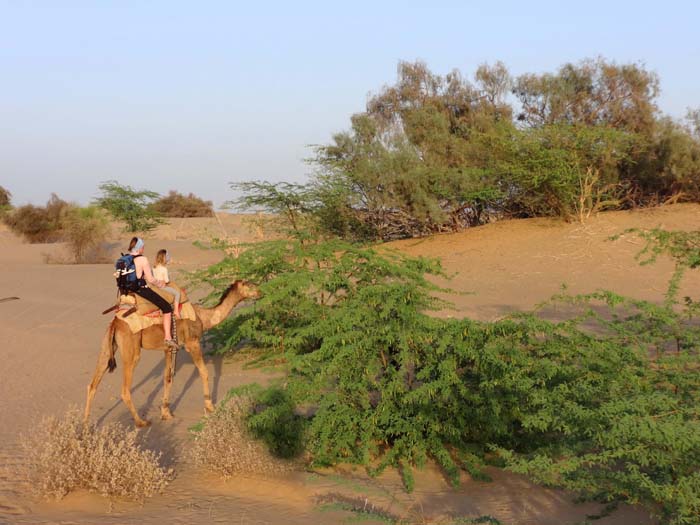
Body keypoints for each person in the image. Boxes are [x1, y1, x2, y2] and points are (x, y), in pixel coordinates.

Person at [127, 237, 178, 349]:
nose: (144, 248)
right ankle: (168, 338)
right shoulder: (143, 259)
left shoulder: (125, 259)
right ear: (139, 247)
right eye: (143, 246)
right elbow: (150, 279)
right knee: (167, 308)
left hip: (126, 290)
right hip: (141, 289)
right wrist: (160, 284)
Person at [153, 249, 181, 319]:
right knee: (177, 294)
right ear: (164, 258)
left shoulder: (154, 267)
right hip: (163, 287)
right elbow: (167, 280)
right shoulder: (164, 269)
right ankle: (176, 311)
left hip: (155, 287)